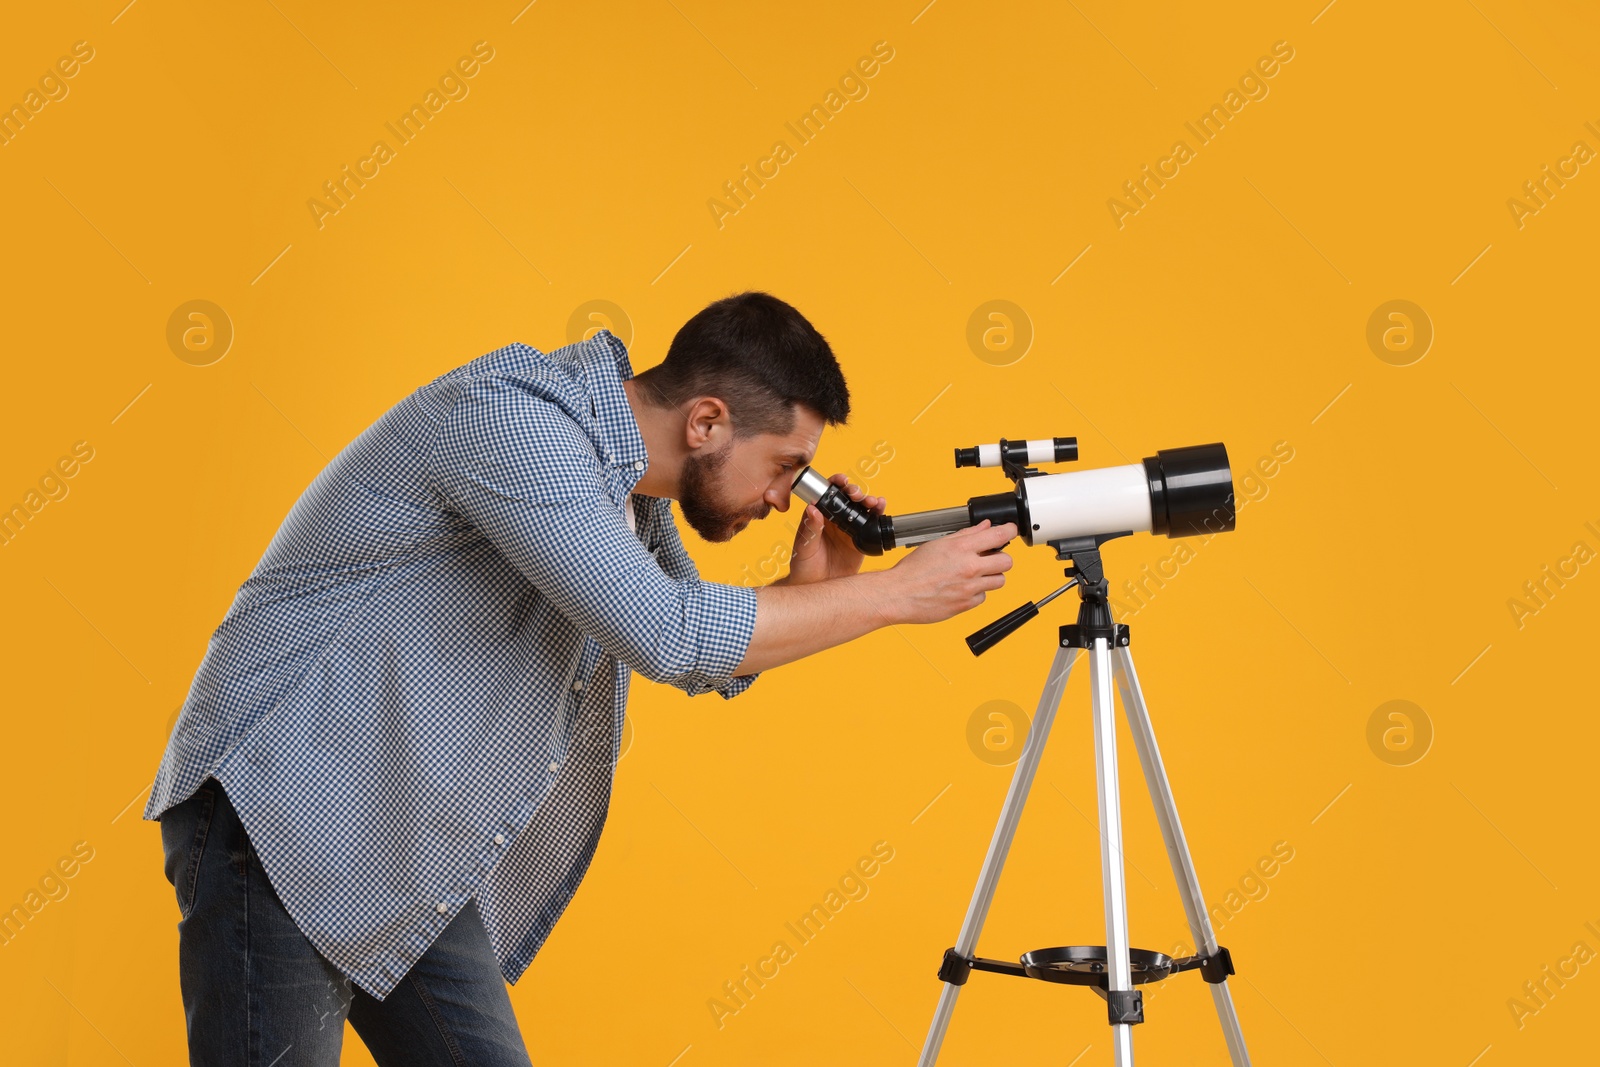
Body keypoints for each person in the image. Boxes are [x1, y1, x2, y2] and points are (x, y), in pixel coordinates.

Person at [145, 290, 1016, 1065]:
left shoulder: (623, 490)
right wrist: (902, 595)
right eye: (786, 464)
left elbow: (697, 646)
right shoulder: (514, 423)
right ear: (706, 422)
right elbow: (673, 636)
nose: (785, 498)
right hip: (279, 812)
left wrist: (807, 596)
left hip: (399, 846)